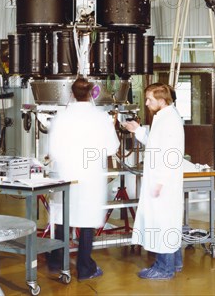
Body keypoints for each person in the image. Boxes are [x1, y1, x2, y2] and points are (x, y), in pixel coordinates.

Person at [47, 76, 120, 280]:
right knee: (86, 221)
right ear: (91, 93)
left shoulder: (62, 117)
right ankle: (85, 267)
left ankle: (56, 260)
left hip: (66, 175)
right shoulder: (101, 117)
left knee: (62, 217)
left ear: (71, 93)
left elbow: (53, 149)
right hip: (90, 176)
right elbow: (113, 147)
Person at [123, 82, 185, 280]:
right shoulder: (164, 117)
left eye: (149, 99)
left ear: (161, 100)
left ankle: (163, 269)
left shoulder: (170, 121)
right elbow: (155, 143)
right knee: (168, 223)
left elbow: (171, 156)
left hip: (163, 183)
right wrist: (138, 130)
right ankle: (175, 262)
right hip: (162, 182)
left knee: (163, 224)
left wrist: (159, 182)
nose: (147, 103)